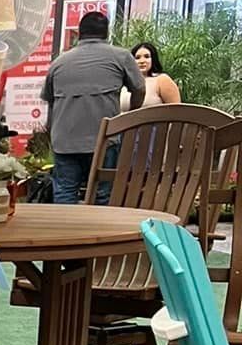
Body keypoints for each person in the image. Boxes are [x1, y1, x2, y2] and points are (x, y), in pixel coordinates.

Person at [41, 11, 146, 203]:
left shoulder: (59, 62)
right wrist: (131, 114)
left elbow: (51, 103)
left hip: (65, 141)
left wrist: (51, 134)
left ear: (79, 33)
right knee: (102, 194)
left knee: (65, 191)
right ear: (106, 33)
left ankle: (68, 233)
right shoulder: (120, 57)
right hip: (104, 140)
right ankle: (98, 232)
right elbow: (139, 89)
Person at [131, 40, 182, 107]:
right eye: (137, 58)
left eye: (146, 56)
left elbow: (177, 111)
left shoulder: (162, 80)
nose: (142, 61)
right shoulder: (124, 84)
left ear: (153, 59)